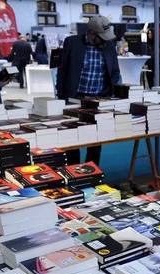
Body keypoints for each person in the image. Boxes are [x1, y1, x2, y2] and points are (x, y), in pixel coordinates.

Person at [56, 15, 119, 165]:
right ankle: (73, 172)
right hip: (74, 98)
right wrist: (61, 97)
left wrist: (106, 93)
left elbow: (115, 72)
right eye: (102, 38)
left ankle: (92, 172)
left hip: (98, 100)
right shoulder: (72, 43)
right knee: (72, 139)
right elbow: (62, 71)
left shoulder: (109, 46)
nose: (105, 41)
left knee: (96, 141)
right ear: (91, 34)